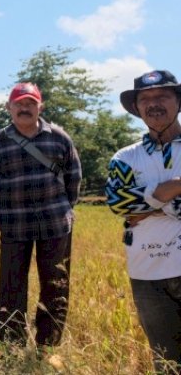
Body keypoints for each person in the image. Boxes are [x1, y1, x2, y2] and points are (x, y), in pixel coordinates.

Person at [0, 82, 81, 348]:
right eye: (19, 104)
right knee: (11, 285)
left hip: (55, 225)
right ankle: (11, 345)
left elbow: (74, 179)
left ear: (40, 107)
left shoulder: (60, 138)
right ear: (9, 108)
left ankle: (48, 344)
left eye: (30, 103)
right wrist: (12, 205)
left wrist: (61, 209)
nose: (24, 108)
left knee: (55, 285)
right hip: (14, 226)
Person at [105, 70, 181, 370]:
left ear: (178, 101)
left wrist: (147, 204)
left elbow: (133, 205)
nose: (153, 104)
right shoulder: (124, 158)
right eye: (145, 99)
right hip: (148, 274)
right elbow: (118, 203)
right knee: (166, 361)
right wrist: (171, 188)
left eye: (162, 96)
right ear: (137, 109)